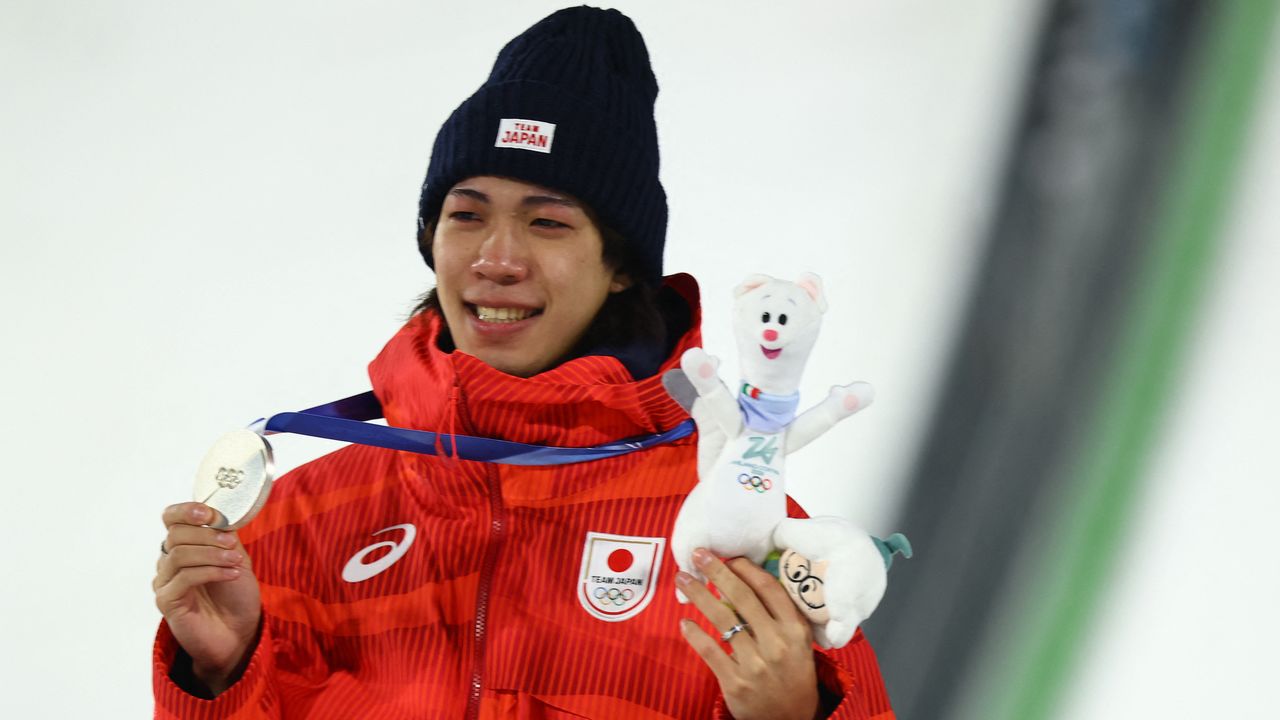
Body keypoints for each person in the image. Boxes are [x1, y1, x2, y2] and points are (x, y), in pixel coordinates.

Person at [151, 7, 896, 719]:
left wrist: (794, 712)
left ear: (622, 268)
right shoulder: (301, 523)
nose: (496, 259)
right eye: (466, 214)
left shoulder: (732, 530)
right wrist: (218, 675)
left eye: (547, 223)